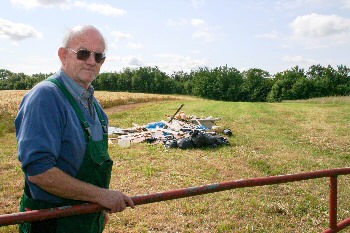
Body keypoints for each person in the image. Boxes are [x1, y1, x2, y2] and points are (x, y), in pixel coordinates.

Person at [15, 25, 134, 233]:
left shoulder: (93, 104)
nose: (91, 61)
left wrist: (96, 208)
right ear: (63, 55)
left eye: (99, 56)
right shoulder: (46, 97)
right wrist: (100, 196)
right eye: (83, 53)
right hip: (53, 222)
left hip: (84, 218)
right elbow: (39, 172)